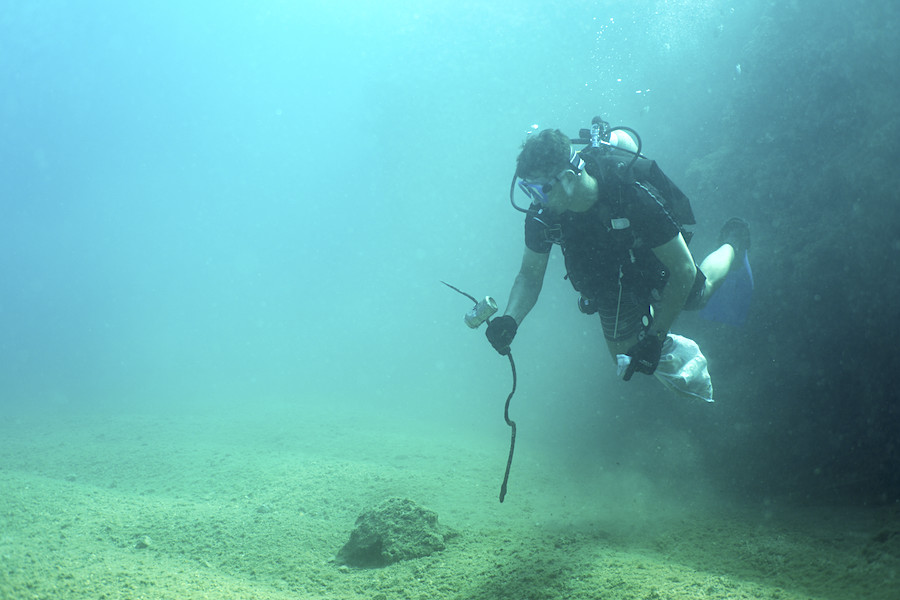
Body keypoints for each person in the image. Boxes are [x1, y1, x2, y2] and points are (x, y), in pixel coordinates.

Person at [485, 122, 751, 397]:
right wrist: (511, 320)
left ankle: (733, 243)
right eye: (527, 190)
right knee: (624, 361)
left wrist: (656, 338)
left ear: (568, 178)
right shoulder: (543, 216)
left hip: (651, 257)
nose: (535, 201)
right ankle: (652, 321)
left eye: (538, 190)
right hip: (607, 275)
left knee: (698, 297)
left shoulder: (630, 193)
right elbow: (529, 276)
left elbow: (682, 269)